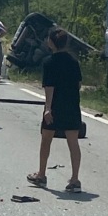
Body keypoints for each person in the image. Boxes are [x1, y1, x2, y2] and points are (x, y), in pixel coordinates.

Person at [26, 28, 83, 193]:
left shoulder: (49, 62)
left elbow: (49, 87)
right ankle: (75, 179)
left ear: (51, 43)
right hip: (72, 105)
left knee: (46, 139)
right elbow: (78, 85)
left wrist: (48, 109)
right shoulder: (74, 62)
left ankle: (42, 175)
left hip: (55, 106)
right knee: (73, 142)